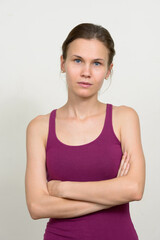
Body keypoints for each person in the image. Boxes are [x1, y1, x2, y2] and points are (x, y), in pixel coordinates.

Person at [25, 23, 146, 240]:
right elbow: (37, 206)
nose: (86, 72)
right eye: (77, 60)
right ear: (63, 63)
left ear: (109, 70)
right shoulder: (39, 127)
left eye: (97, 63)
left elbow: (134, 188)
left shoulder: (124, 118)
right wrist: (113, 194)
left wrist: (63, 189)